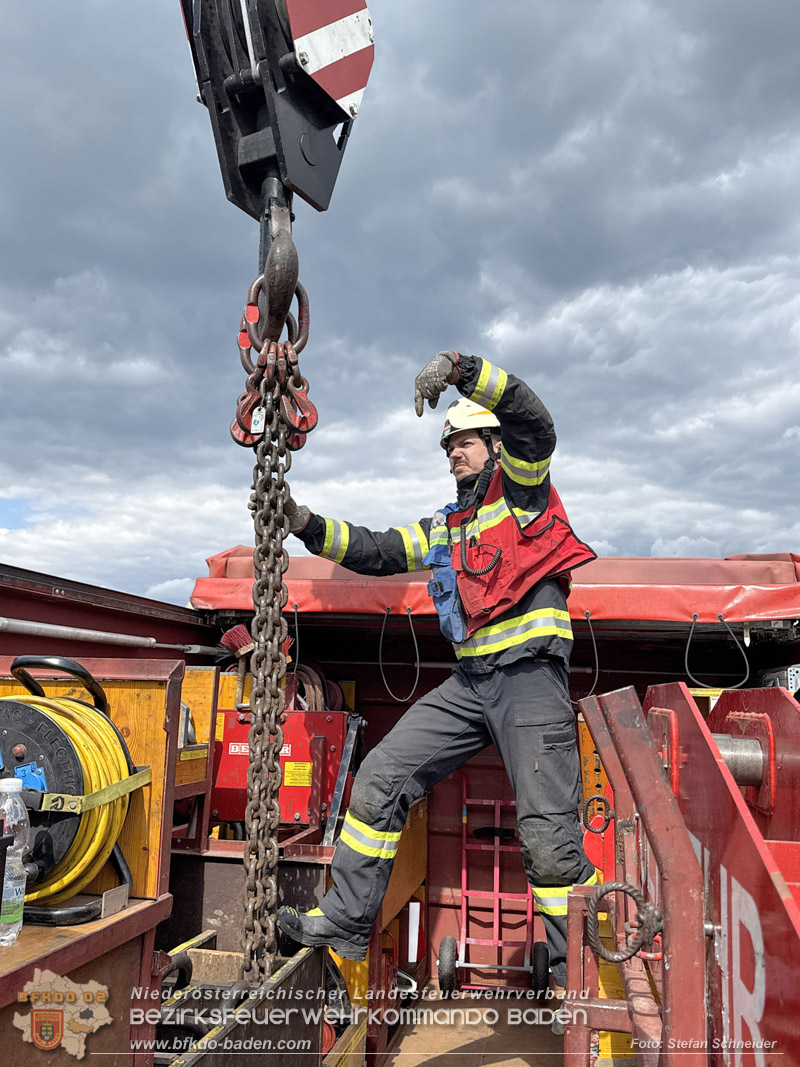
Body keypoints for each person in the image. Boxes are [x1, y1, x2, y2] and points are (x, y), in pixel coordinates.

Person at [276, 350, 598, 992]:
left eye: (465, 441)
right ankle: (344, 919)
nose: (452, 452)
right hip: (474, 684)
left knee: (550, 844)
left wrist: (462, 368)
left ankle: (576, 975)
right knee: (378, 782)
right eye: (447, 444)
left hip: (530, 680)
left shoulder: (526, 494)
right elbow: (374, 550)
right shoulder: (448, 526)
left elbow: (537, 422)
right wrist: (305, 525)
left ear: (497, 447)